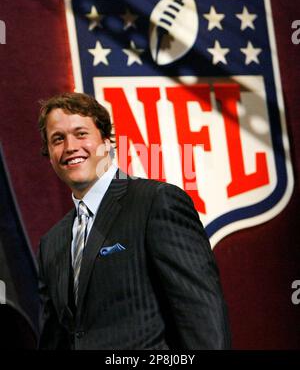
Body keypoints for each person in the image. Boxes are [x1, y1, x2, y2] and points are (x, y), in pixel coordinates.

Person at [37, 92, 231, 350]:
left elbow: (200, 312)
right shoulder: (52, 242)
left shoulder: (156, 202)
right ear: (50, 154)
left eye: (81, 133)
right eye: (58, 139)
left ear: (107, 142)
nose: (70, 146)